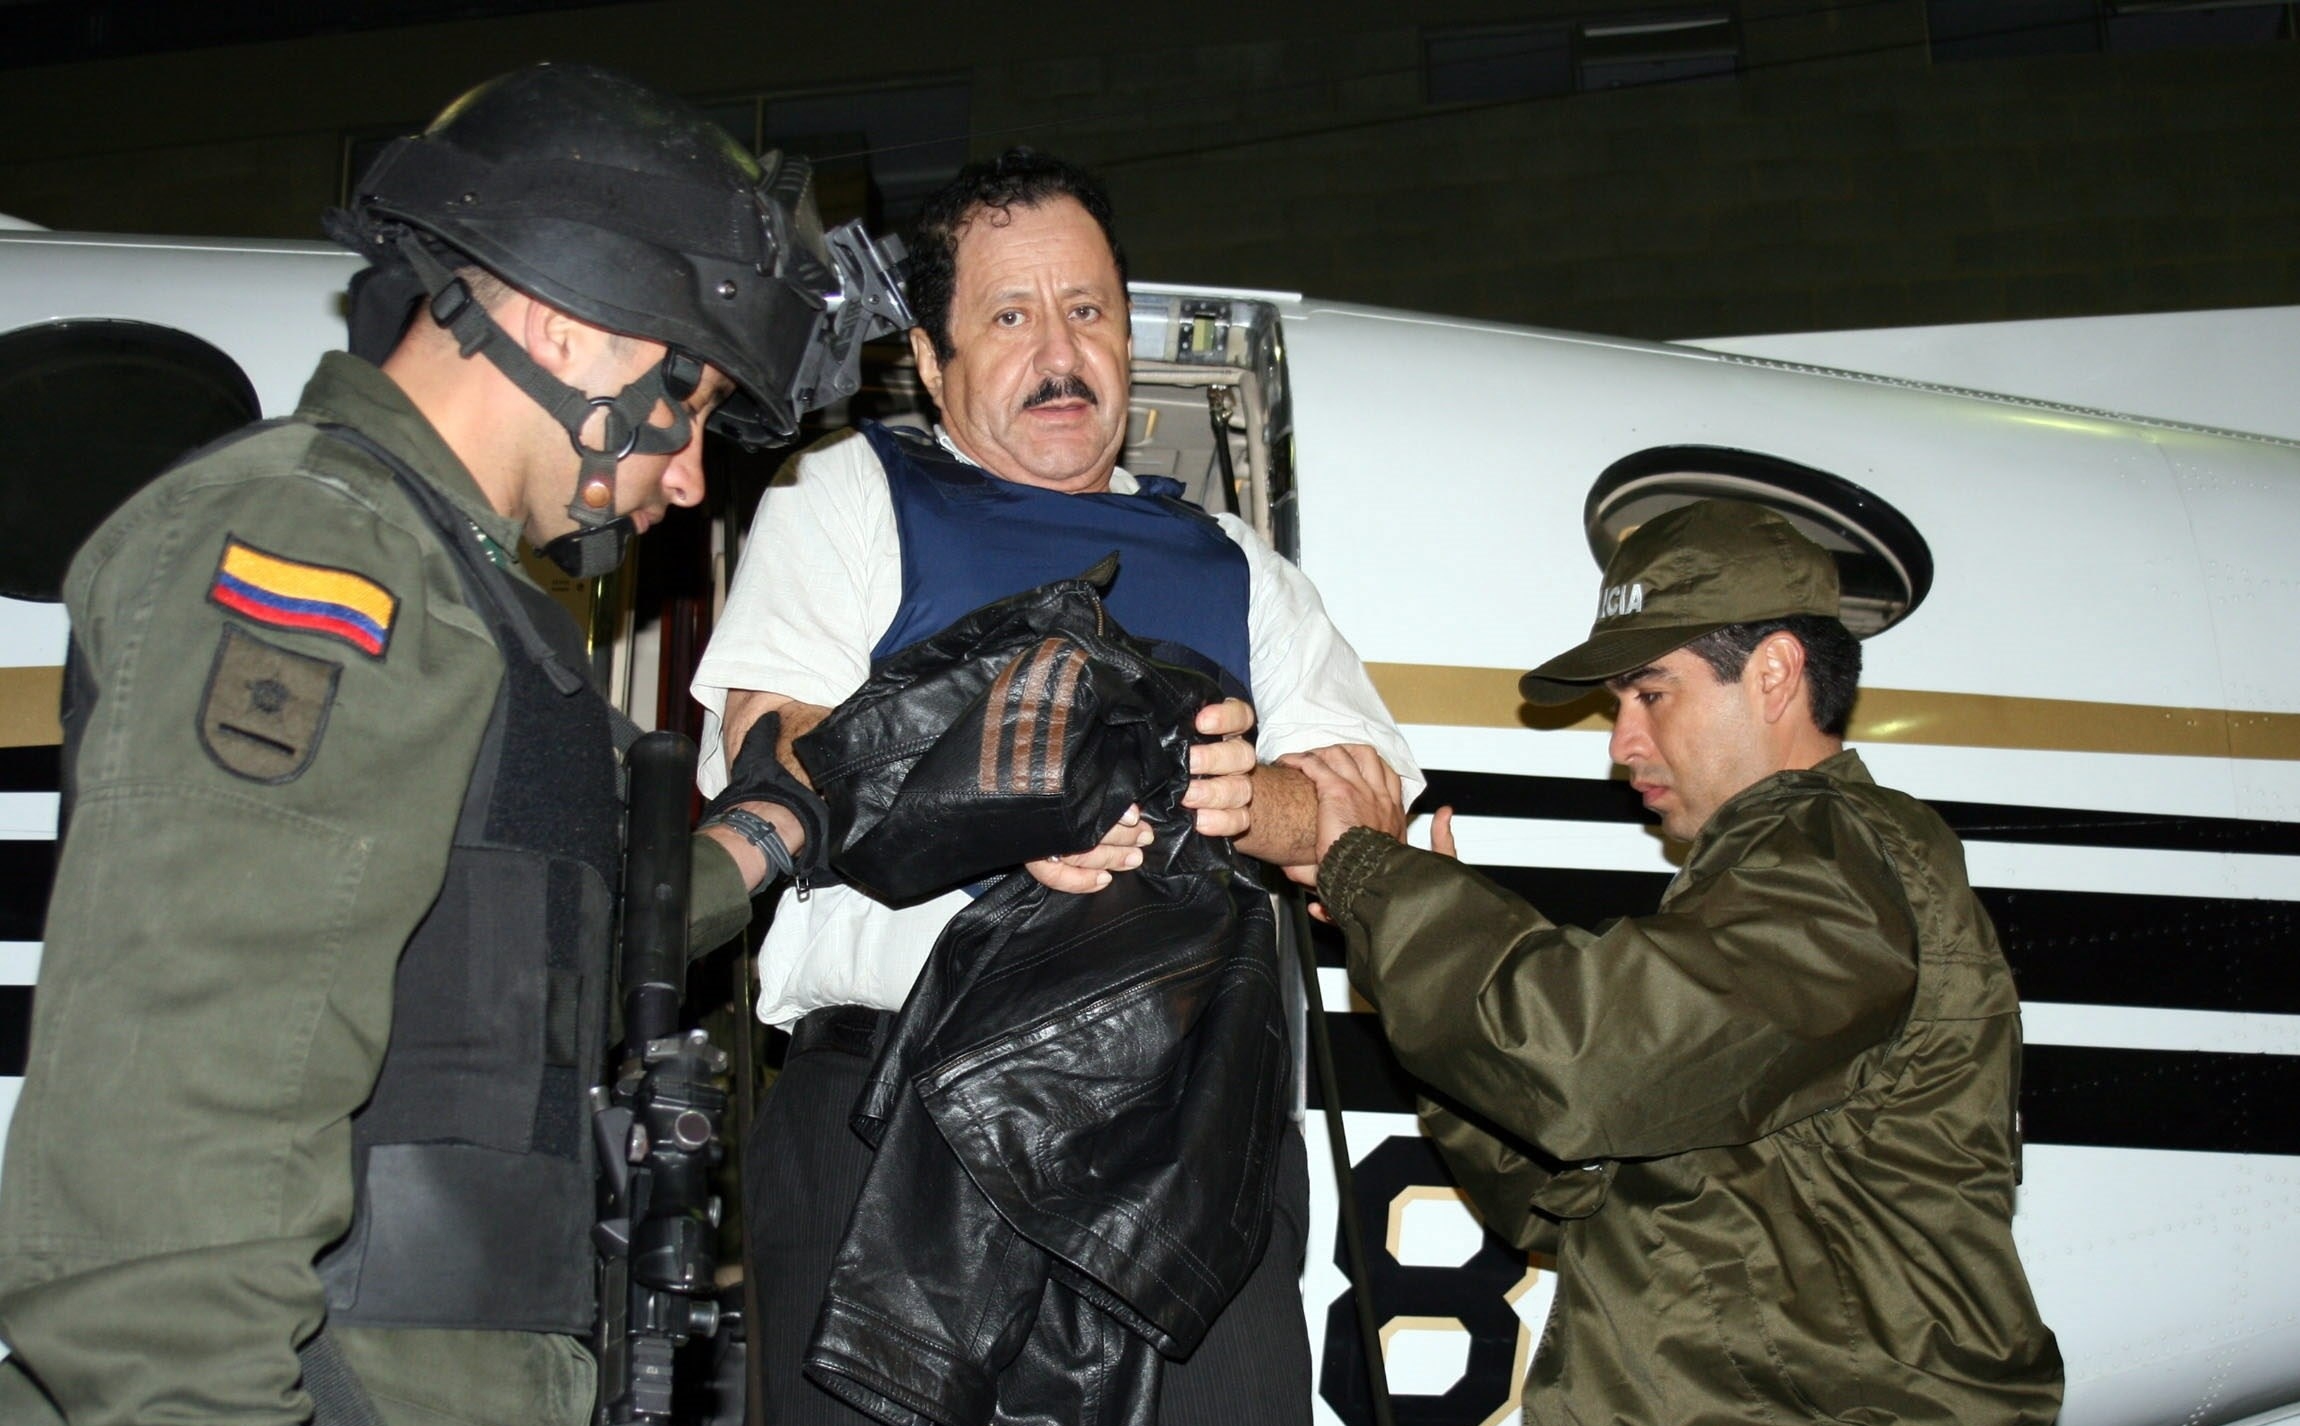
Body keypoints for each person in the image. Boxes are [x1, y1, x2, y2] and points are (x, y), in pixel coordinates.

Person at [0, 64, 836, 1426]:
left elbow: (525, 930)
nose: (689, 472)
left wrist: (784, 821)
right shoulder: (319, 553)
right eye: (689, 400)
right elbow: (179, 1117)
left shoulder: (468, 599)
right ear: (566, 322)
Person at [690, 148, 1421, 1424]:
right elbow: (773, 743)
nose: (1059, 349)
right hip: (889, 1118)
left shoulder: (1234, 561)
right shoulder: (848, 494)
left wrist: (1248, 799)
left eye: (1087, 310)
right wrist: (1013, 798)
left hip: (1184, 1145)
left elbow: (1367, 809)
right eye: (1010, 316)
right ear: (932, 359)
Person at [1285, 499, 2064, 1425]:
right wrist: (1406, 950)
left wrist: (1383, 882)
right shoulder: (1762, 889)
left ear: (1774, 674)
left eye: (1651, 695)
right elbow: (1548, 1195)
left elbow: (1583, 1063)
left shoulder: (1837, 855)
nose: (1622, 745)